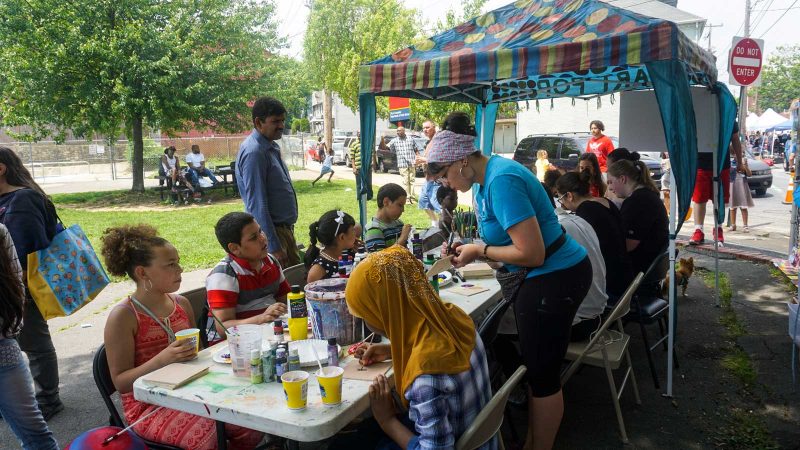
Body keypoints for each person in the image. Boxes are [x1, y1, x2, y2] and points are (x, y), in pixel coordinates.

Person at [426, 115, 591, 450]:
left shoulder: (501, 181)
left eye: (443, 175)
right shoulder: (488, 180)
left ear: (461, 160)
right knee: (537, 369)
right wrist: (474, 250)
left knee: (543, 377)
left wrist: (480, 249)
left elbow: (532, 253)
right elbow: (512, 245)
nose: (444, 184)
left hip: (553, 277)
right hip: (550, 274)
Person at [101, 225, 264, 450]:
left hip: (190, 389)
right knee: (207, 436)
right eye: (170, 265)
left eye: (178, 261)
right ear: (142, 272)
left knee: (250, 422)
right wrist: (163, 359)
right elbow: (121, 382)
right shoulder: (124, 316)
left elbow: (197, 357)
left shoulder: (181, 304)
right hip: (149, 404)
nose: (180, 269)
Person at [341, 246, 496, 450]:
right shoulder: (454, 318)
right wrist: (393, 350)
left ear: (382, 312)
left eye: (364, 313)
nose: (364, 319)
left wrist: (387, 421)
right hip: (478, 435)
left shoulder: (425, 378)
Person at [0, 147, 63, 420]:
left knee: (34, 343)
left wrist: (19, 289)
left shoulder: (22, 200)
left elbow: (29, 248)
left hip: (19, 285)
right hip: (7, 285)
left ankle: (48, 399)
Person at [0, 223, 58, 449]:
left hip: (3, 350)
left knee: (37, 435)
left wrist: (8, 329)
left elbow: (15, 286)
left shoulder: (1, 232)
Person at [236, 96, 300, 267]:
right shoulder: (255, 152)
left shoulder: (269, 146)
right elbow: (257, 204)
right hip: (274, 233)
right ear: (258, 122)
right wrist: (273, 245)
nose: (281, 126)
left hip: (283, 231)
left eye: (283, 120)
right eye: (275, 121)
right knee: (287, 286)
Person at [206, 212, 289, 337]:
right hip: (233, 344)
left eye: (260, 231)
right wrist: (261, 318)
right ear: (234, 248)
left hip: (268, 333)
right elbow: (223, 328)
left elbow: (286, 299)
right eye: (253, 237)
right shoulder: (224, 275)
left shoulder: (270, 261)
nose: (262, 238)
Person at [556, 171, 634, 299]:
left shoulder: (585, 211)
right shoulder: (605, 202)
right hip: (625, 277)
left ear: (569, 196)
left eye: (561, 200)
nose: (562, 206)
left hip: (610, 286)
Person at [607, 157, 668, 276]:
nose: (609, 187)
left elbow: (627, 245)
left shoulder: (637, 201)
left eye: (610, 182)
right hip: (648, 264)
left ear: (622, 179)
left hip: (638, 269)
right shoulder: (646, 195)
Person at [689, 122, 744, 245]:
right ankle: (698, 230)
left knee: (719, 199)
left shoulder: (727, 113)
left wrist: (740, 162)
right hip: (700, 164)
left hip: (722, 165)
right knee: (699, 199)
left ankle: (718, 229)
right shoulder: (698, 113)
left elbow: (735, 139)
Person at [304, 210, 358, 282]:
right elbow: (311, 292)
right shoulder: (318, 269)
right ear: (342, 237)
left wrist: (362, 254)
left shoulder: (352, 253)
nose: (355, 233)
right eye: (353, 230)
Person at [364, 183, 412, 252]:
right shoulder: (373, 229)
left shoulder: (398, 223)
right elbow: (380, 260)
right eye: (400, 205)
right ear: (386, 202)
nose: (403, 210)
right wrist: (403, 238)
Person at [387, 126, 422, 203]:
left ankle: (412, 197)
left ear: (404, 131)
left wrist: (418, 159)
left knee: (412, 180)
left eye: (399, 131)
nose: (398, 132)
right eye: (397, 131)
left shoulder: (410, 139)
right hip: (402, 163)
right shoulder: (394, 140)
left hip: (411, 162)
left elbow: (416, 149)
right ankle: (407, 198)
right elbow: (388, 148)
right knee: (405, 181)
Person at [417, 120, 441, 226]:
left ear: (434, 127)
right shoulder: (429, 141)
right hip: (428, 178)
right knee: (423, 202)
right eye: (423, 128)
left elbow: (438, 159)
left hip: (436, 179)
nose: (425, 130)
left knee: (437, 204)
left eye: (427, 127)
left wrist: (423, 159)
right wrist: (420, 162)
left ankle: (447, 225)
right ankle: (435, 223)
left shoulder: (438, 141)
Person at [728, 158, 754, 233]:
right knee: (732, 207)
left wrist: (745, 165)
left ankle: (745, 226)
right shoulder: (729, 160)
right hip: (732, 184)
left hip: (742, 184)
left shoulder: (743, 160)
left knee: (743, 206)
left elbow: (749, 174)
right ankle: (733, 225)